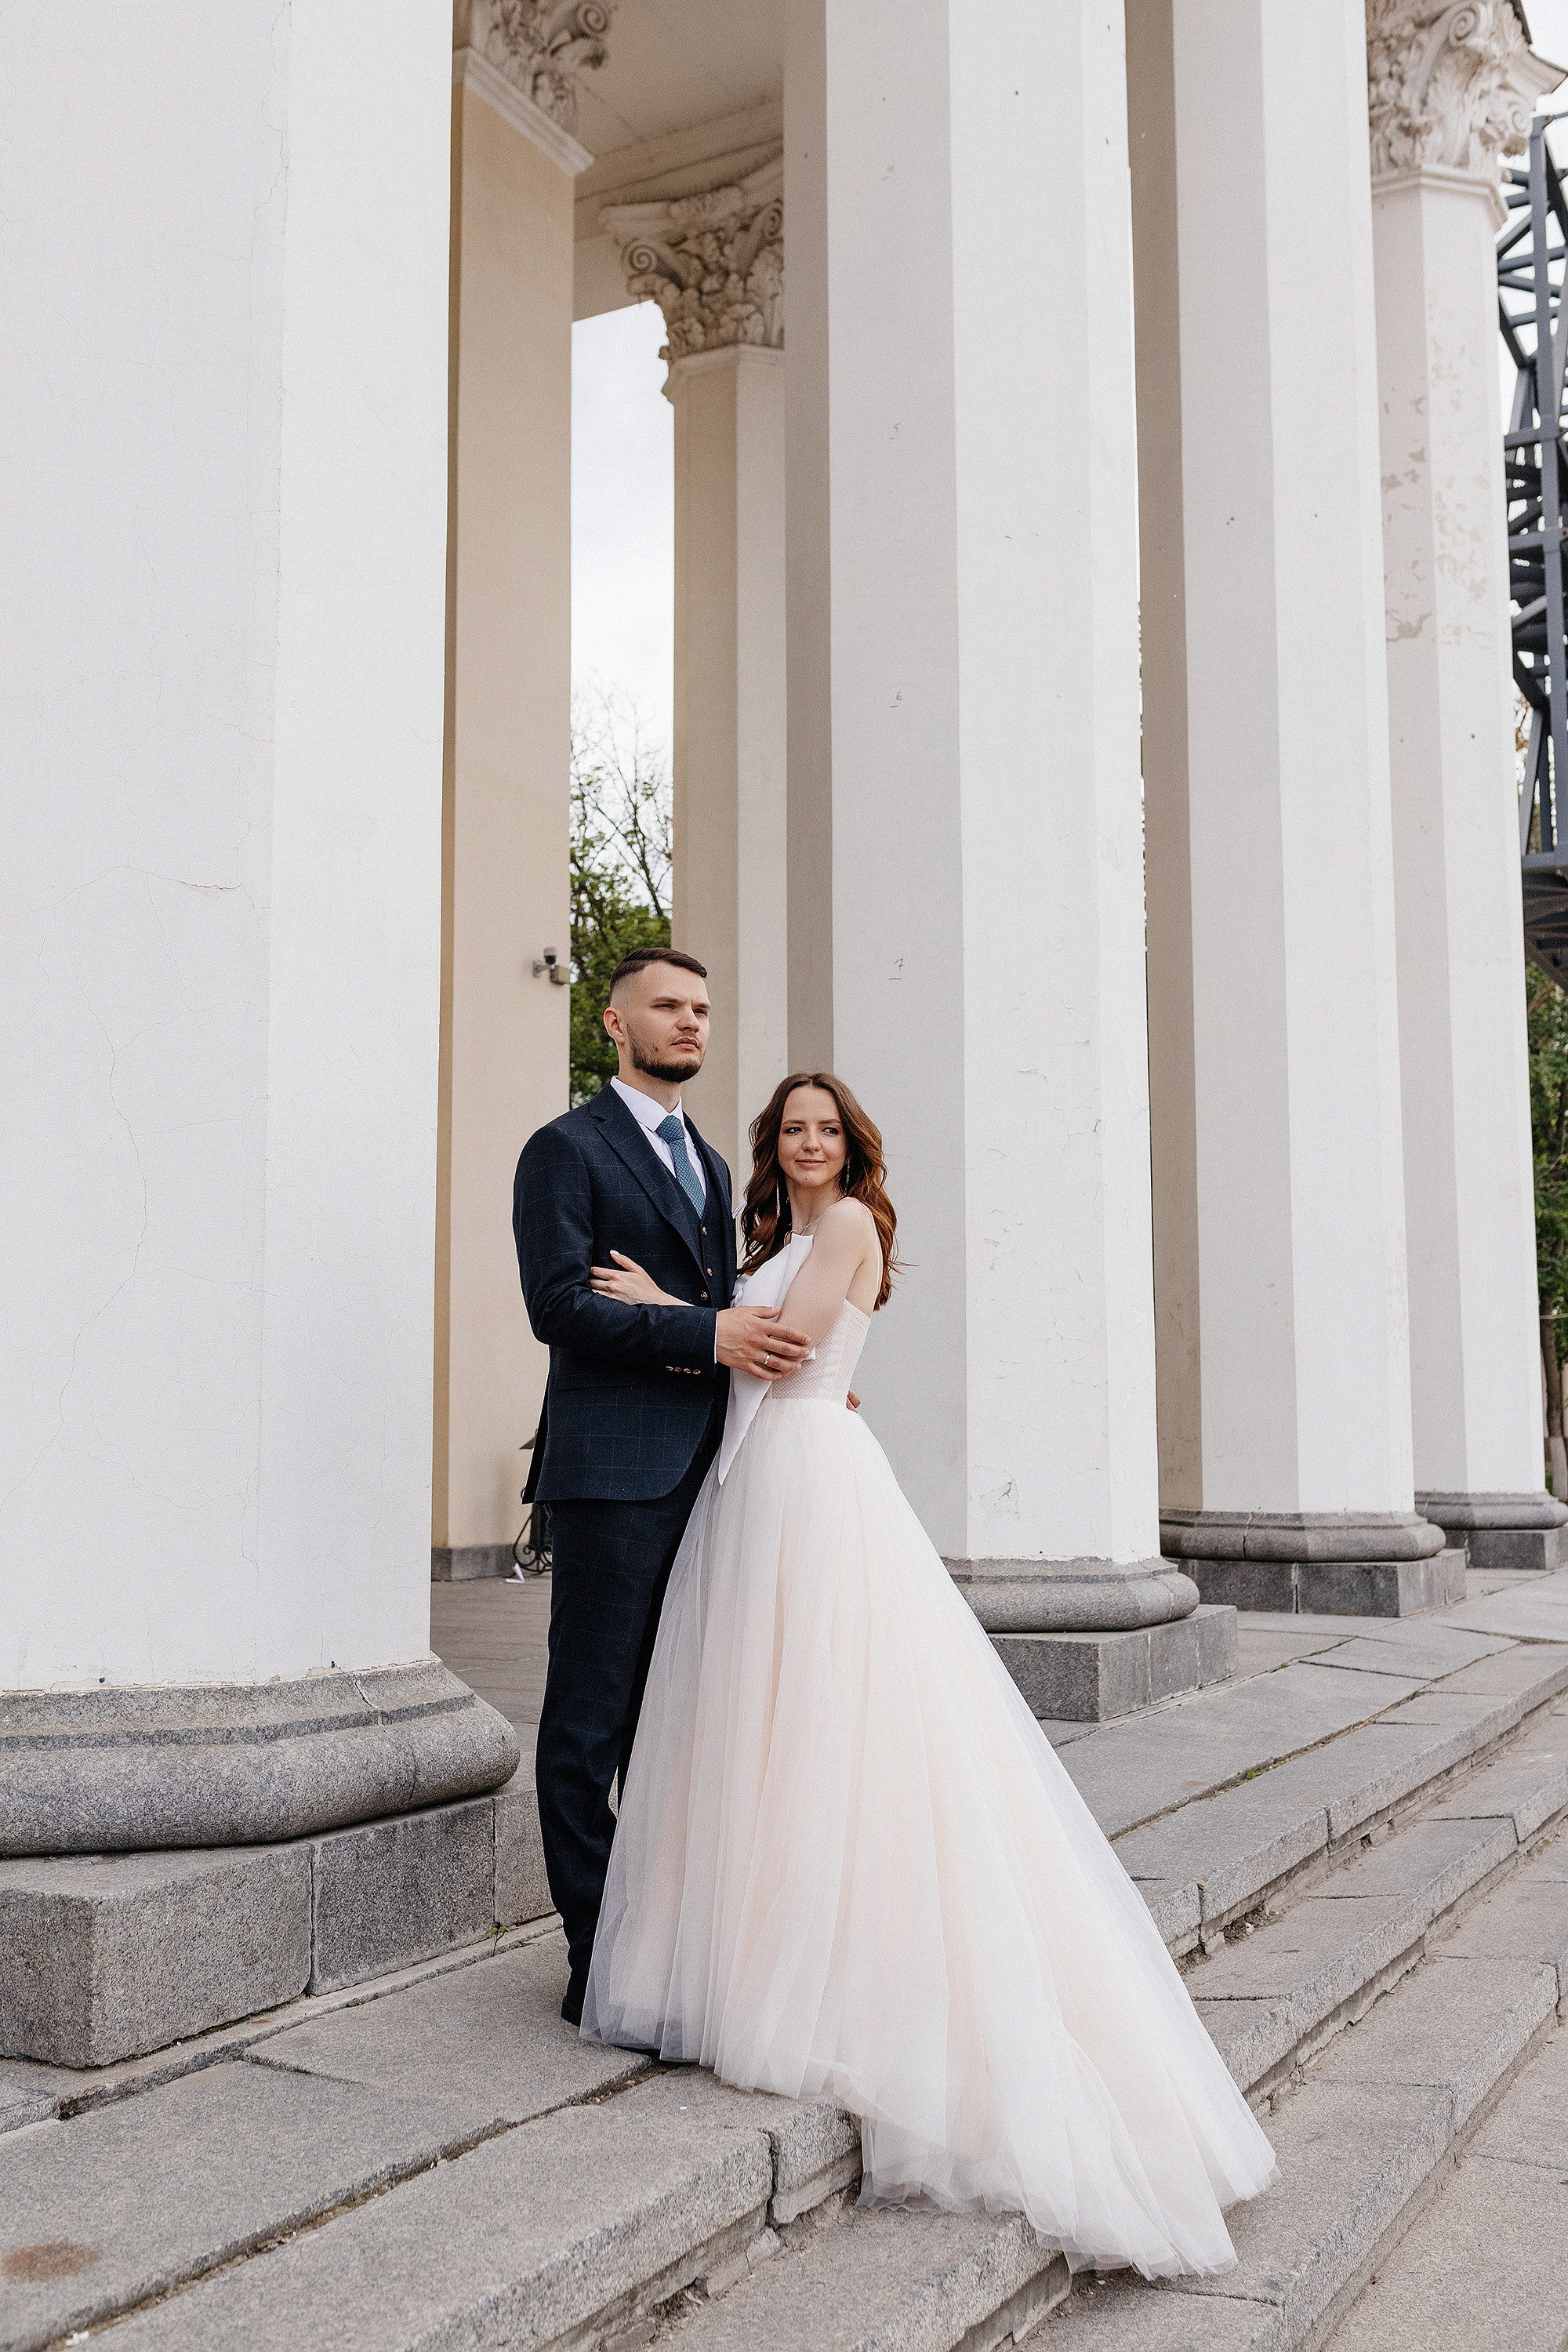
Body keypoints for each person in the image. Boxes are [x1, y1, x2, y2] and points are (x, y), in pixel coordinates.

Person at [579, 1071, 1279, 2280]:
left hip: (807, 1478)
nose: (808, 1142)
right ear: (773, 1145)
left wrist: (660, 1306)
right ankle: (754, 1949)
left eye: (826, 1129)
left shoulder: (849, 1222)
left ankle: (827, 1973)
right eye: (792, 1129)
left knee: (826, 1715)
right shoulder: (780, 1236)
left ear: (851, 1146)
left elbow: (782, 1351)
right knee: (761, 1723)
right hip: (759, 1482)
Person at [511, 948, 815, 2028]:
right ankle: (596, 1964)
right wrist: (702, 1331)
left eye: (701, 1008)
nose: (691, 1022)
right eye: (667, 1006)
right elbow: (558, 1306)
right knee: (588, 1725)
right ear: (614, 1023)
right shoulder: (565, 1149)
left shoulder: (709, 1161)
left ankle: (660, 1945)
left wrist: (781, 1363)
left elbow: (722, 1308)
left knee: (673, 1719)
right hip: (612, 1474)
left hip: (710, 1468)